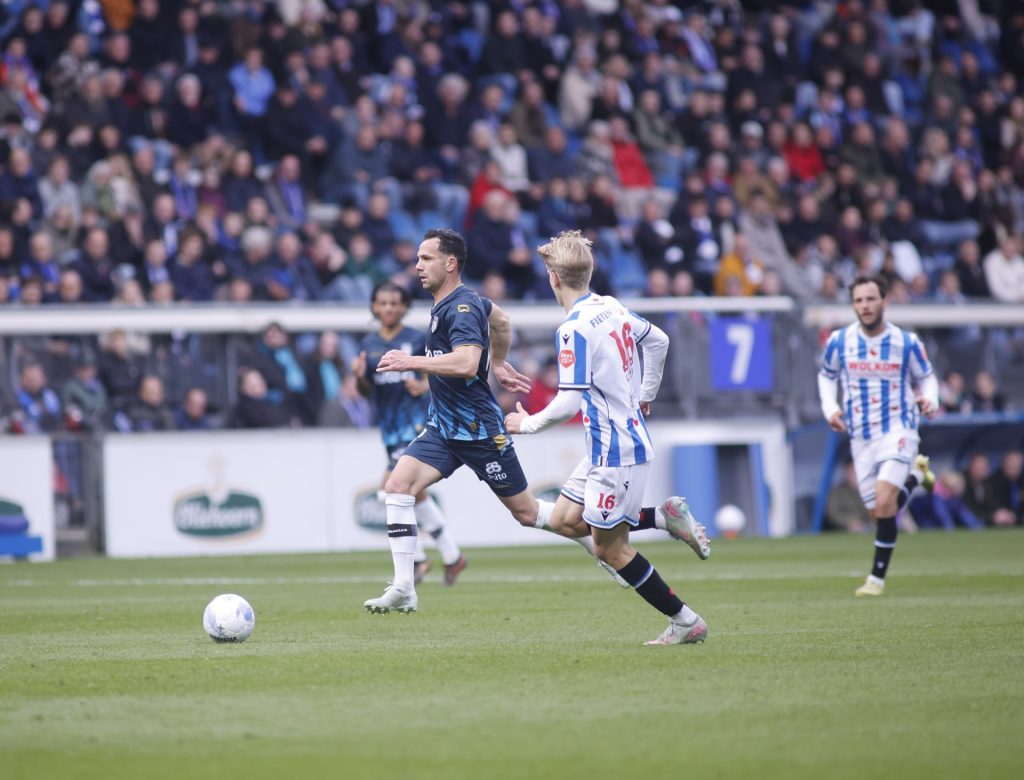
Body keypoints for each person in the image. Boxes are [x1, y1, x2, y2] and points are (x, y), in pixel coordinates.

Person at [365, 229, 709, 622]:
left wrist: (416, 363)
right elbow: (503, 320)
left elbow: (471, 365)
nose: (418, 266)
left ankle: (673, 575)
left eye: (425, 258)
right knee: (397, 486)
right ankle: (405, 587)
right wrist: (496, 362)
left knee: (549, 522)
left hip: (484, 431)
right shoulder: (605, 306)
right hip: (445, 427)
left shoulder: (484, 312)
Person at [504, 230, 709, 646]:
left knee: (610, 550)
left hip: (616, 451)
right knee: (563, 520)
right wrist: (645, 394)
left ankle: (686, 620)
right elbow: (658, 340)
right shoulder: (609, 306)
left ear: (553, 279)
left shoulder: (573, 328)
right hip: (607, 446)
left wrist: (524, 426)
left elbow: (568, 403)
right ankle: (661, 517)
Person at [818, 274, 939, 597]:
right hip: (860, 437)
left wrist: (931, 399)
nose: (865, 306)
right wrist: (830, 409)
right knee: (879, 512)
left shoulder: (907, 342)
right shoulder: (840, 341)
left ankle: (876, 579)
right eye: (859, 300)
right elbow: (826, 377)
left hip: (898, 429)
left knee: (886, 500)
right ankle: (916, 475)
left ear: (884, 301)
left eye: (871, 299)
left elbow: (927, 379)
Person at [351, 281, 468, 586]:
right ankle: (452, 557)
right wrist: (359, 376)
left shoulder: (418, 339)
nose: (388, 308)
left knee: (391, 488)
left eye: (394, 303)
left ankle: (418, 561)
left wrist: (424, 385)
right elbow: (366, 391)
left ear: (404, 307)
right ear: (374, 307)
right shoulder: (369, 343)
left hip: (415, 422)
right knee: (414, 494)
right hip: (389, 427)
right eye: (383, 303)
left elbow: (440, 370)